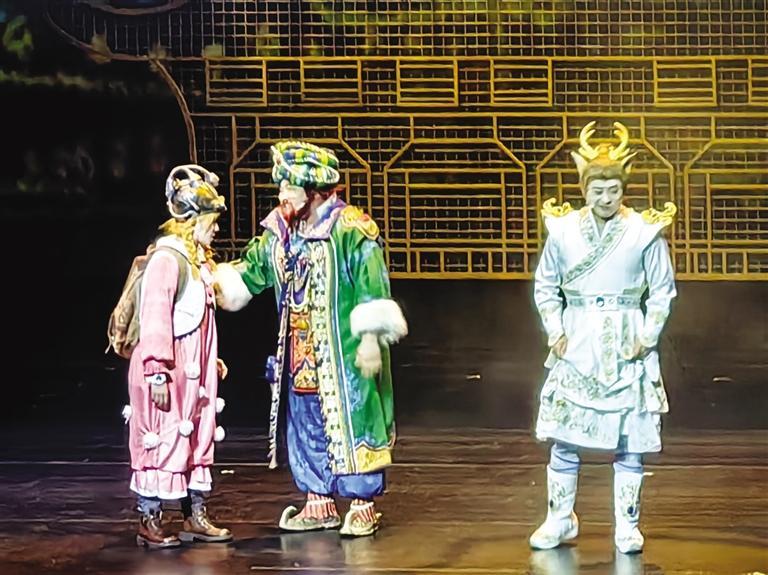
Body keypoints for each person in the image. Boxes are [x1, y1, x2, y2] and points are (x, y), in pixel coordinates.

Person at [215, 141, 407, 537]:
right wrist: (209, 279)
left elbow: (372, 286)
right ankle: (318, 499)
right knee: (305, 420)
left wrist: (370, 338)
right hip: (300, 352)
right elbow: (250, 272)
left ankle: (361, 502)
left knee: (355, 418)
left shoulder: (350, 230)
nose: (282, 194)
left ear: (313, 189)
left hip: (344, 354)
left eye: (289, 186)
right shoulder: (281, 231)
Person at [529, 122, 677, 554]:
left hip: (626, 340)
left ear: (623, 189)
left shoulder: (643, 231)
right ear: (585, 190)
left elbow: (662, 290)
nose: (606, 198)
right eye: (598, 190)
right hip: (578, 339)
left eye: (613, 190)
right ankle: (560, 518)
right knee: (565, 435)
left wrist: (648, 335)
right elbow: (546, 285)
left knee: (629, 440)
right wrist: (555, 330)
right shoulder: (563, 230)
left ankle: (627, 525)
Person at [126, 164, 232, 548]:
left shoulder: (198, 261)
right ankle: (149, 517)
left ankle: (194, 514)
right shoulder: (167, 259)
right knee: (162, 436)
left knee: (195, 436)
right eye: (211, 221)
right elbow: (154, 316)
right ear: (192, 219)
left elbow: (200, 318)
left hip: (194, 370)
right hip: (167, 369)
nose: (216, 229)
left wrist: (209, 360)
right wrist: (156, 371)